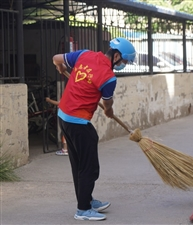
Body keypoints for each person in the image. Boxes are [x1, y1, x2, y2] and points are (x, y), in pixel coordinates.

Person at [52, 37, 136, 221]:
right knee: (90, 168)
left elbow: (56, 58)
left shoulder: (85, 54)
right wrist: (109, 111)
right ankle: (82, 210)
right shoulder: (108, 78)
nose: (125, 65)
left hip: (63, 116)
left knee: (79, 164)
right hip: (78, 122)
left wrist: (62, 68)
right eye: (125, 62)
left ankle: (86, 200)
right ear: (116, 57)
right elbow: (107, 105)